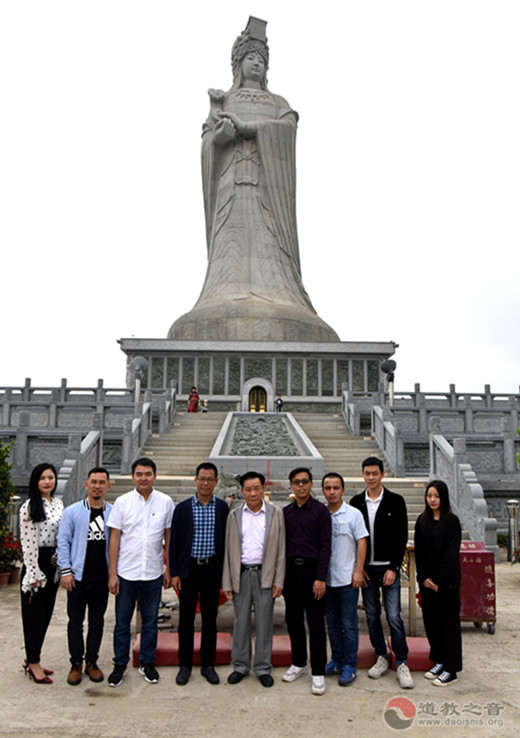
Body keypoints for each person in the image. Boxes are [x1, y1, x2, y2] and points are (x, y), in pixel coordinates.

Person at [168, 17, 338, 342]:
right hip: (231, 190)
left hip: (266, 193)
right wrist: (220, 138)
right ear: (238, 64)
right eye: (251, 58)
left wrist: (249, 129)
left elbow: (288, 128)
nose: (256, 64)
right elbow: (207, 144)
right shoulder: (225, 101)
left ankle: (281, 297)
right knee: (229, 252)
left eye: (261, 59)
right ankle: (223, 293)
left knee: (268, 245)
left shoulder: (277, 103)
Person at [106, 457, 173, 687]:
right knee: (122, 622)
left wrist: (168, 568)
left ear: (155, 476)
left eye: (148, 474)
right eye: (139, 474)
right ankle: (120, 664)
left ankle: (147, 662)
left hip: (153, 573)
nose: (143, 478)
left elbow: (168, 537)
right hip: (126, 573)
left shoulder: (165, 502)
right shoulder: (122, 502)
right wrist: (112, 573)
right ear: (133, 476)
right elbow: (114, 539)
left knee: (150, 622)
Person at [350, 457, 414, 689]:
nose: (371, 477)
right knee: (372, 615)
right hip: (367, 570)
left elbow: (401, 536)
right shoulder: (356, 502)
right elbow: (353, 538)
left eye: (375, 473)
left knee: (394, 616)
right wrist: (359, 568)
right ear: (363, 475)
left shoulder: (396, 501)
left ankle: (402, 660)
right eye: (367, 473)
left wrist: (394, 568)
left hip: (388, 569)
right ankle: (381, 656)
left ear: (382, 474)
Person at [222, 471, 285, 687]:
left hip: (265, 575)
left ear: (263, 488)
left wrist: (279, 580)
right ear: (242, 491)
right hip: (241, 574)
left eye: (256, 488)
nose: (252, 493)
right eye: (248, 489)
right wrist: (228, 582)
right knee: (240, 622)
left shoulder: (275, 514)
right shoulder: (235, 515)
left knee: (265, 622)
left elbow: (281, 550)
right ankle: (240, 665)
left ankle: (262, 667)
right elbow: (229, 551)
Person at [170, 462, 229, 685]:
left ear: (216, 482)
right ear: (195, 480)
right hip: (188, 570)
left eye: (210, 479)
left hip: (211, 569)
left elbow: (225, 540)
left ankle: (207, 664)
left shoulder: (222, 508)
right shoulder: (183, 508)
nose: (205, 483)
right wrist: (175, 572)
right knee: (185, 619)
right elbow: (174, 542)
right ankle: (184, 664)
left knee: (210, 619)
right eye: (202, 478)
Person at [57, 467, 112, 685]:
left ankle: (92, 662)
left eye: (102, 482)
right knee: (75, 622)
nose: (97, 486)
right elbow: (63, 543)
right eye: (94, 481)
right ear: (86, 484)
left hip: (101, 578)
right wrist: (66, 571)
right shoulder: (72, 512)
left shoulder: (113, 512)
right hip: (77, 578)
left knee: (97, 622)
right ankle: (75, 663)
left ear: (108, 486)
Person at [282, 467, 331, 696]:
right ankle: (299, 662)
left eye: (305, 481)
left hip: (313, 572)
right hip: (291, 572)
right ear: (291, 485)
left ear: (311, 484)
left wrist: (321, 577)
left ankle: (318, 671)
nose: (301, 485)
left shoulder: (321, 512)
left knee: (316, 623)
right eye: (296, 482)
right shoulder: (286, 513)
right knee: (293, 620)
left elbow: (326, 546)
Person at [321, 473, 368, 687]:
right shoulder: (320, 514)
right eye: (328, 488)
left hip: (347, 579)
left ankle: (350, 664)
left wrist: (359, 570)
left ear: (343, 490)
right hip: (326, 580)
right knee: (332, 624)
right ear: (323, 490)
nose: (332, 492)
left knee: (349, 624)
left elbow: (362, 542)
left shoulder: (353, 514)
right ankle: (336, 660)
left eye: (335, 488)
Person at [414, 480, 462, 686]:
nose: (432, 500)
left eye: (436, 496)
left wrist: (437, 580)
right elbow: (419, 551)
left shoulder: (451, 522)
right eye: (429, 496)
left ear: (443, 498)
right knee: (432, 624)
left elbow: (451, 555)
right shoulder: (422, 521)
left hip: (446, 584)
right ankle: (439, 660)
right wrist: (423, 578)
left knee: (448, 625)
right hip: (427, 584)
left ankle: (451, 669)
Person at [19, 463, 63, 684]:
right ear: (35, 481)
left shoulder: (58, 504)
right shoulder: (28, 506)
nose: (47, 481)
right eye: (42, 478)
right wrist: (34, 572)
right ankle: (33, 663)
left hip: (53, 564)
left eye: (51, 477)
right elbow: (27, 544)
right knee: (33, 617)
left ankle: (33, 657)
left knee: (46, 615)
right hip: (35, 565)